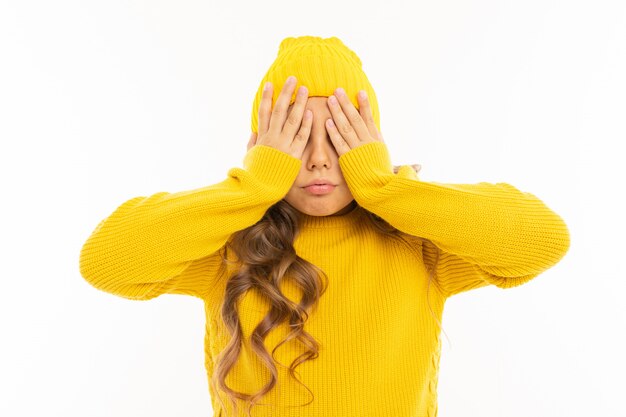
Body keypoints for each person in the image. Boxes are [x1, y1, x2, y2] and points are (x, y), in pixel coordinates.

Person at [78, 35, 571, 417]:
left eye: (339, 138)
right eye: (294, 139)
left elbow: (544, 240)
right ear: (263, 145)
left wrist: (381, 187)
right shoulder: (227, 241)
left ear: (371, 140)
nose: (317, 160)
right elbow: (105, 262)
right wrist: (252, 188)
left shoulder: (417, 237)